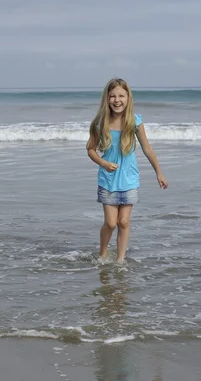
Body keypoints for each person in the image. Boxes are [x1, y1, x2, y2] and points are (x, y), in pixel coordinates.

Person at [86, 78, 168, 263]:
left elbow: (147, 149)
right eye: (113, 96)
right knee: (111, 223)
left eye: (121, 95)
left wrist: (159, 172)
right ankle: (103, 253)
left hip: (129, 180)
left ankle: (120, 261)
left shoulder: (135, 121)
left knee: (123, 222)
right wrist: (103, 164)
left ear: (128, 98)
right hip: (108, 181)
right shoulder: (100, 123)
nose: (117, 100)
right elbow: (90, 149)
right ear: (107, 99)